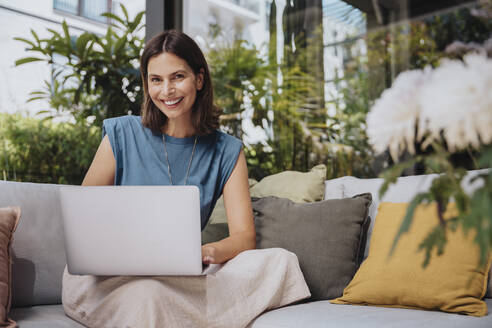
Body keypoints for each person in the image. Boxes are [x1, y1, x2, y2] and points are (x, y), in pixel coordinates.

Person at [62, 30, 310, 328]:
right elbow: (84, 221)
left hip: (178, 275)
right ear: (147, 84)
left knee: (279, 261)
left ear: (199, 79)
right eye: (156, 80)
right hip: (108, 277)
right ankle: (177, 308)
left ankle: (174, 307)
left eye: (177, 77)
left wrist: (207, 252)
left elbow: (244, 237)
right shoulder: (121, 134)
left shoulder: (227, 151)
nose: (166, 90)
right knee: (147, 295)